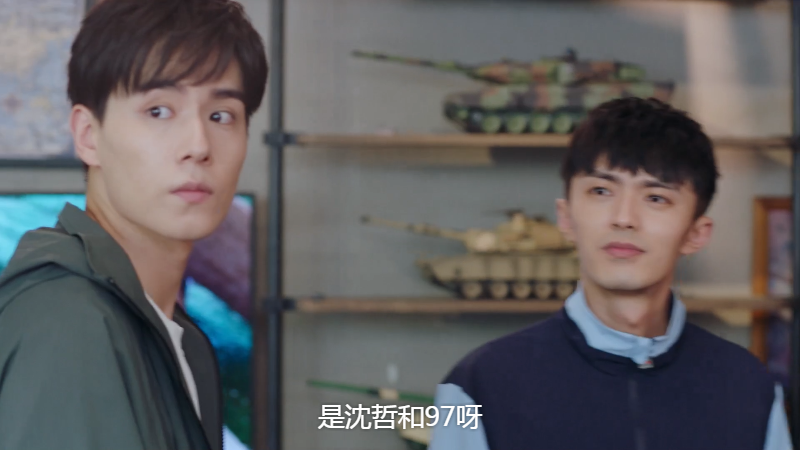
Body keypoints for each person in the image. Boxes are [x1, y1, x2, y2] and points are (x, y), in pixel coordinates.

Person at [428, 97, 792, 450]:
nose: (624, 218)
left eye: (656, 198)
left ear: (696, 234)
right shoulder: (476, 386)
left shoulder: (750, 389)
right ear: (566, 217)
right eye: (601, 191)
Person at [0, 0, 267, 449]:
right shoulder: (69, 324)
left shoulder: (180, 337)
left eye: (221, 115)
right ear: (88, 135)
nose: (199, 145)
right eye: (159, 111)